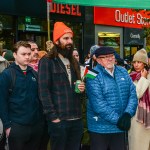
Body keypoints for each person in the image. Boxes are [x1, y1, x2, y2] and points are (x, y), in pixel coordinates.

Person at [38, 22, 85, 150]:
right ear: (56, 41)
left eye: (71, 38)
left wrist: (81, 89)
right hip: (59, 120)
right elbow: (43, 92)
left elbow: (77, 88)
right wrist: (53, 118)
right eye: (65, 38)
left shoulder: (74, 61)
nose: (70, 41)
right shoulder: (47, 61)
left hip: (76, 118)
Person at [86, 46, 138, 150]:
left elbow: (133, 94)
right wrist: (119, 120)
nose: (110, 59)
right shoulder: (92, 74)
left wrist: (127, 114)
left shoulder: (123, 71)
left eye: (111, 56)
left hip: (119, 127)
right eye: (105, 57)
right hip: (100, 128)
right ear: (99, 60)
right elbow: (99, 104)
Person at [0, 41, 45, 150]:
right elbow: (2, 101)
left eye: (29, 54)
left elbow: (39, 99)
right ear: (15, 55)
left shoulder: (34, 73)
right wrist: (7, 126)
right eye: (23, 54)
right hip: (16, 127)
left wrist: (41, 123)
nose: (27, 57)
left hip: (36, 126)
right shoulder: (7, 74)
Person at [128, 49, 150, 150]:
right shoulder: (131, 76)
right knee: (136, 144)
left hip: (147, 117)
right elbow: (137, 94)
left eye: (139, 62)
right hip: (136, 117)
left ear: (145, 63)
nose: (136, 64)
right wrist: (143, 78)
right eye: (134, 62)